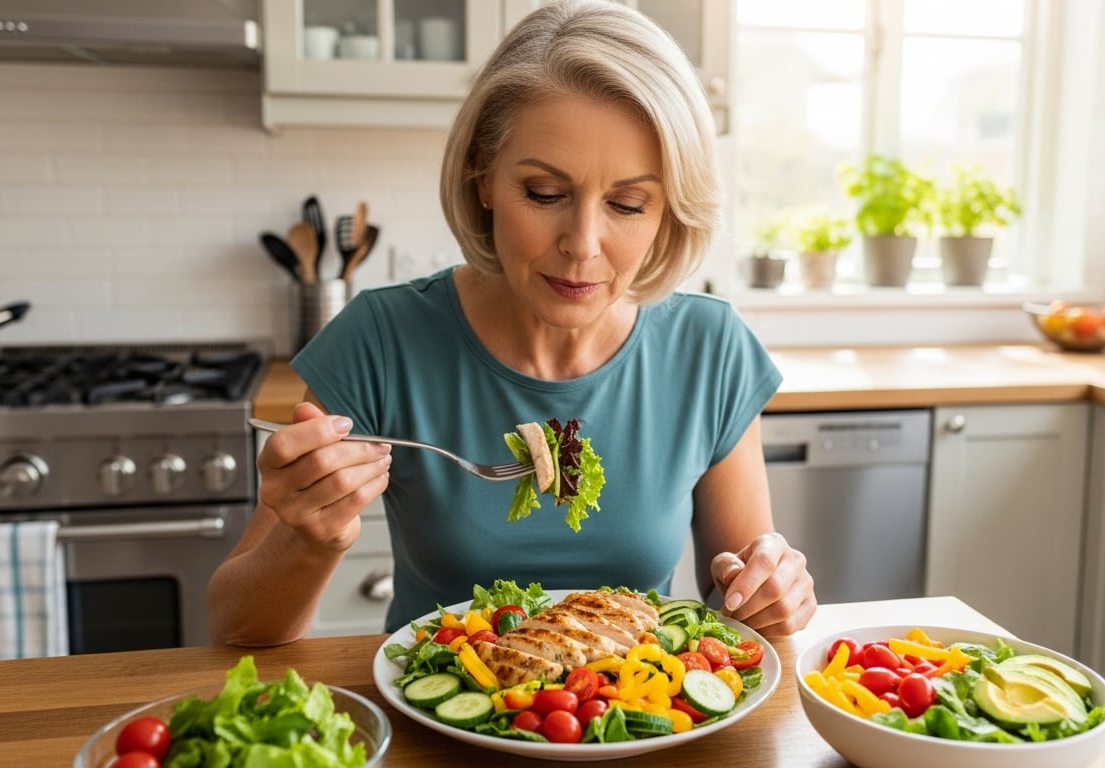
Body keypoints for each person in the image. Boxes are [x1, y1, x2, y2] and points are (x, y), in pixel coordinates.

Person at [207, 0, 817, 645]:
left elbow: (743, 605)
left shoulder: (709, 350)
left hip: (634, 721)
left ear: (669, 210)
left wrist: (771, 593)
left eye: (628, 203)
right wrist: (309, 540)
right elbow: (233, 626)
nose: (582, 244)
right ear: (482, 179)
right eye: (544, 194)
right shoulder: (381, 339)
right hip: (437, 727)